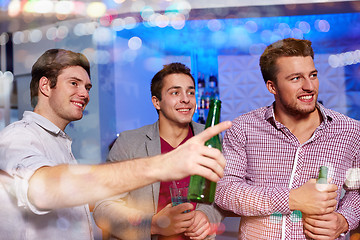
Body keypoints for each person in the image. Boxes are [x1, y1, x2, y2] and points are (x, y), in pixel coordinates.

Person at [0, 49, 231, 240]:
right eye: (74, 83)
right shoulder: (18, 137)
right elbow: (43, 190)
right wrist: (162, 168)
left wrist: (206, 216)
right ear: (45, 86)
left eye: (87, 87)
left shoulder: (59, 142)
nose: (84, 94)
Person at [215, 38, 360, 239]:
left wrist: (344, 220)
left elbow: (357, 191)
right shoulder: (243, 128)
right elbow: (224, 191)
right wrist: (292, 199)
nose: (309, 86)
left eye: (313, 75)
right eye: (296, 78)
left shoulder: (351, 131)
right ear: (272, 87)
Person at [93, 62, 223, 240]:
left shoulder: (210, 138)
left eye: (191, 92)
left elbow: (223, 194)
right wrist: (152, 224)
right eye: (175, 92)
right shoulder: (129, 142)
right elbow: (104, 207)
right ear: (157, 102)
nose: (186, 99)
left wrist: (207, 215)